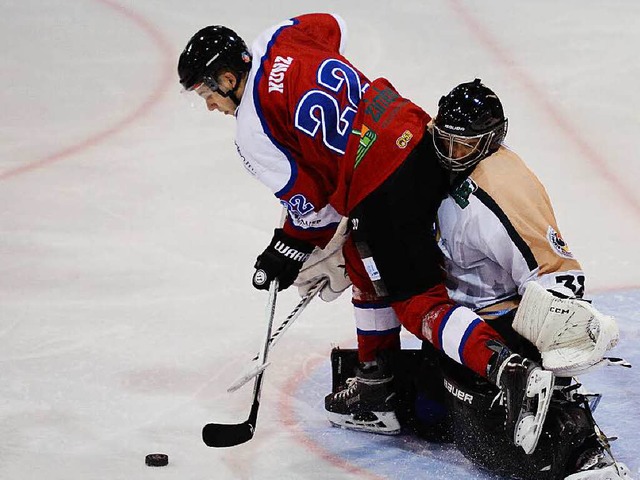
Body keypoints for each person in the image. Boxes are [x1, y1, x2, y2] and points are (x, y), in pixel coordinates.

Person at [177, 14, 553, 453]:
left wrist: (286, 249)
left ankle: (508, 370)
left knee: (417, 303)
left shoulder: (252, 131)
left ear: (226, 78)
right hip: (414, 132)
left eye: (206, 92)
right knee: (363, 260)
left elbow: (312, 205)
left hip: (380, 187)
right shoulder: (281, 36)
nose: (208, 105)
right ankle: (378, 381)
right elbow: (330, 25)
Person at [311, 79, 630, 479]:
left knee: (499, 444)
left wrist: (551, 350)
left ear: (493, 139)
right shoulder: (429, 163)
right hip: (457, 330)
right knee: (430, 414)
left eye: (463, 147)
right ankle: (383, 379)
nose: (451, 155)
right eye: (446, 141)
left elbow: (558, 277)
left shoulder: (503, 188)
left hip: (500, 326)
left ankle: (585, 452)